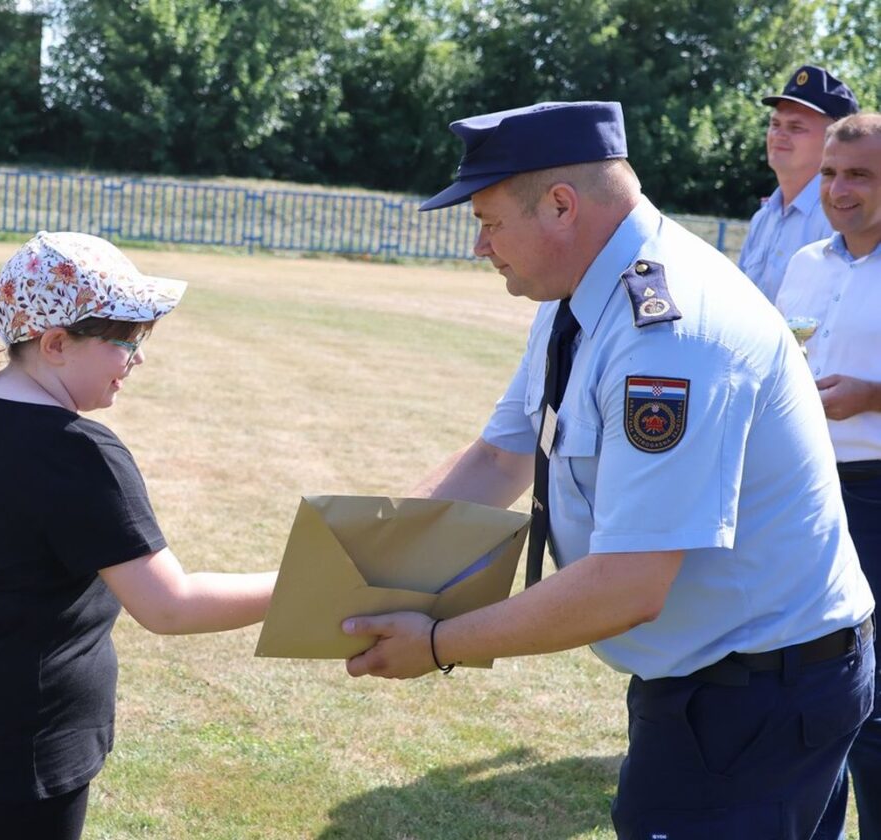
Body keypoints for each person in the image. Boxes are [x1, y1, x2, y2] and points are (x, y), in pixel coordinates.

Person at [342, 101, 875, 838]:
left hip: (754, 693)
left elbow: (629, 584)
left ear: (562, 205)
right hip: (723, 677)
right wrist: (367, 569)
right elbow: (500, 456)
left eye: (490, 222)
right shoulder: (583, 291)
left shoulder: (669, 335)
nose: (479, 247)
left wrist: (435, 645)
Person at [0, 231, 277, 840]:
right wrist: (302, 585)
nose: (139, 358)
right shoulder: (77, 454)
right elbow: (168, 606)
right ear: (55, 342)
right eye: (129, 339)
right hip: (23, 745)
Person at [777, 112, 881, 839]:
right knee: (809, 683)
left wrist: (874, 396)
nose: (840, 190)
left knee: (871, 698)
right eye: (831, 174)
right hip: (804, 490)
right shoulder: (807, 262)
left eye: (861, 175)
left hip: (876, 494)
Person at [737, 64, 859, 304]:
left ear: (834, 142)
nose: (779, 134)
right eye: (775, 124)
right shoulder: (764, 218)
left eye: (796, 127)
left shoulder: (843, 218)